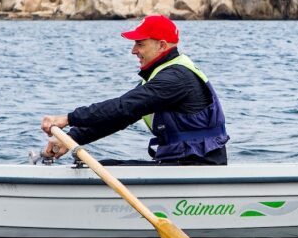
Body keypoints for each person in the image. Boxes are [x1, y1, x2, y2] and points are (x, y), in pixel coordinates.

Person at [40, 15, 229, 165]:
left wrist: (67, 118)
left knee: (103, 169)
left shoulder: (175, 79)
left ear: (162, 45)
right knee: (103, 166)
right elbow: (120, 118)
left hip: (196, 165)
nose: (133, 50)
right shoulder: (162, 76)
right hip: (181, 161)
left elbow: (123, 106)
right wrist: (70, 138)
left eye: (140, 44)